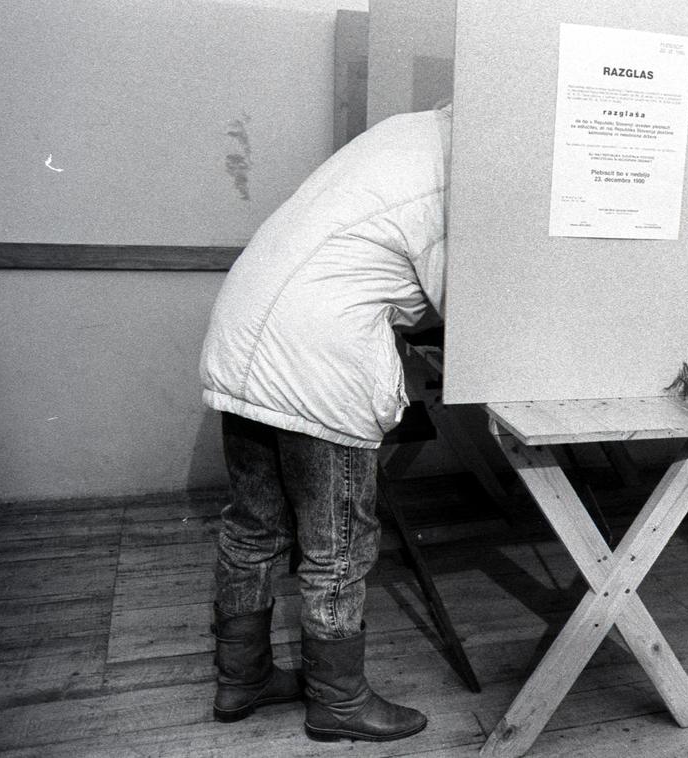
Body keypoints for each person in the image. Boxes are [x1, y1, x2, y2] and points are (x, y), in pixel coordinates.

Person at [198, 104, 451, 742]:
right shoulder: (464, 166)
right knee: (338, 544)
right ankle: (338, 703)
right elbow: (462, 301)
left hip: (245, 333)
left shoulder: (411, 132)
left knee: (254, 527)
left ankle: (242, 677)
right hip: (317, 354)